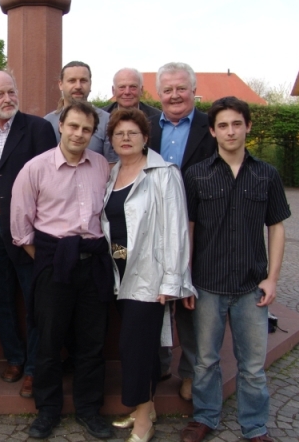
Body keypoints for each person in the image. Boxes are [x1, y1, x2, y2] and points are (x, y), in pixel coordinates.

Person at [180, 97, 290, 442]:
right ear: (213, 131)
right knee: (205, 361)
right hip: (207, 284)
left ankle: (255, 426)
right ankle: (205, 417)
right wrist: (186, 279)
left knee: (253, 366)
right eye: (223, 125)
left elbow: (277, 227)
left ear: (248, 127)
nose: (230, 131)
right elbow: (189, 228)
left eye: (237, 124)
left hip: (250, 287)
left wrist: (272, 279)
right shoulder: (196, 175)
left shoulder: (266, 174)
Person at [11, 100, 113, 440]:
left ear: (93, 133)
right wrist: (47, 259)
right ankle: (48, 410)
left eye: (86, 129)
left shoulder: (102, 166)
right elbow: (20, 227)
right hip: (53, 263)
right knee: (49, 341)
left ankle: (89, 409)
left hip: (93, 265)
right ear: (61, 126)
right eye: (73, 126)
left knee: (92, 343)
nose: (79, 134)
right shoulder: (35, 169)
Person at [101, 108, 197, 442]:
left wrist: (172, 280)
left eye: (132, 133)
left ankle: (143, 421)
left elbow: (176, 229)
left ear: (145, 138)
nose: (125, 138)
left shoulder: (164, 173)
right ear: (112, 141)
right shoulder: (112, 173)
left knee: (135, 348)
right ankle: (149, 407)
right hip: (120, 273)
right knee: (143, 345)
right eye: (119, 134)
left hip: (150, 276)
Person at [0, 70, 57, 398]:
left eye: (11, 91)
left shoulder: (38, 129)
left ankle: (34, 368)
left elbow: (50, 181)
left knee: (34, 298)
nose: (8, 99)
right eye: (0, 94)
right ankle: (15, 357)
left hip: (26, 228)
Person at [148, 62, 216, 398]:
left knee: (191, 301)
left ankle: (189, 371)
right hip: (154, 228)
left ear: (193, 90)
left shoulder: (211, 126)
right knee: (155, 300)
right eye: (168, 90)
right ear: (158, 93)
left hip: (199, 227)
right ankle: (160, 364)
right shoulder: (146, 127)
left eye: (181, 89)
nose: (175, 95)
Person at [45, 60, 117, 163]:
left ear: (90, 84)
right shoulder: (47, 122)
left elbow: (111, 165)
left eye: (83, 81)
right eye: (72, 81)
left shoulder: (108, 121)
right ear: (60, 84)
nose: (78, 86)